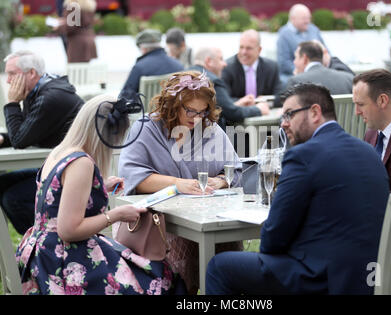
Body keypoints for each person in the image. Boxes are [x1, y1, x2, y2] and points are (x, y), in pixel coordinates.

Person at [206, 82, 390, 295]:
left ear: (314, 112)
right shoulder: (369, 152)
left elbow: (273, 239)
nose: (283, 124)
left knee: (219, 267)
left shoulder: (303, 156)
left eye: (289, 115)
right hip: (368, 277)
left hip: (320, 278)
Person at [15, 93, 186, 295]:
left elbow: (56, 196)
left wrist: (99, 186)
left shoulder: (61, 151)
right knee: (161, 279)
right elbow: (68, 230)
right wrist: (118, 215)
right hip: (61, 263)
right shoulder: (81, 163)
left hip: (39, 252)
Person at [118, 71, 243, 294]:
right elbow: (133, 176)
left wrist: (221, 181)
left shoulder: (210, 129)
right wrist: (177, 184)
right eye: (190, 110)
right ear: (172, 103)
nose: (196, 118)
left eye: (202, 111)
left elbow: (235, 169)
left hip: (209, 217)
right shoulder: (146, 129)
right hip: (162, 224)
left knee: (225, 251)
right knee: (183, 261)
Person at [1, 50, 83, 234]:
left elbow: (21, 140)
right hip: (57, 165)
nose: (8, 81)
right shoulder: (40, 90)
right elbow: (27, 133)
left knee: (13, 198)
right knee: (2, 183)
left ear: (31, 73)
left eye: (12, 74)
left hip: (73, 172)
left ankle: (42, 247)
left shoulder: (50, 97)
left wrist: (12, 103)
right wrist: (4, 139)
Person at [190, 47, 269, 130]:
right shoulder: (213, 82)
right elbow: (232, 113)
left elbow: (219, 108)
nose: (225, 64)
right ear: (209, 61)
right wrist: (258, 109)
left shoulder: (184, 76)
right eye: (221, 59)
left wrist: (234, 103)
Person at [222, 29, 284, 108]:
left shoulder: (271, 67)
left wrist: (264, 101)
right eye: (241, 47)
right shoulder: (227, 68)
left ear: (259, 50)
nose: (243, 52)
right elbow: (224, 100)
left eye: (249, 48)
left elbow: (281, 97)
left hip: (265, 115)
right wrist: (244, 102)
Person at [277, 4, 327, 84]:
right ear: (292, 19)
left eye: (309, 18)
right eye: (304, 18)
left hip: (317, 72)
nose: (307, 21)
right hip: (293, 75)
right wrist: (305, 73)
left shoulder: (314, 29)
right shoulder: (284, 34)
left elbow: (325, 51)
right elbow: (284, 63)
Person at [122, 28, 183, 94]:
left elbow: (125, 96)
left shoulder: (139, 67)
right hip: (171, 104)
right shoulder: (179, 66)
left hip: (146, 104)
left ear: (143, 49)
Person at [286, 41, 354, 95]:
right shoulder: (349, 79)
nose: (294, 62)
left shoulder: (296, 82)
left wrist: (297, 77)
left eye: (296, 57)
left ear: (305, 58)